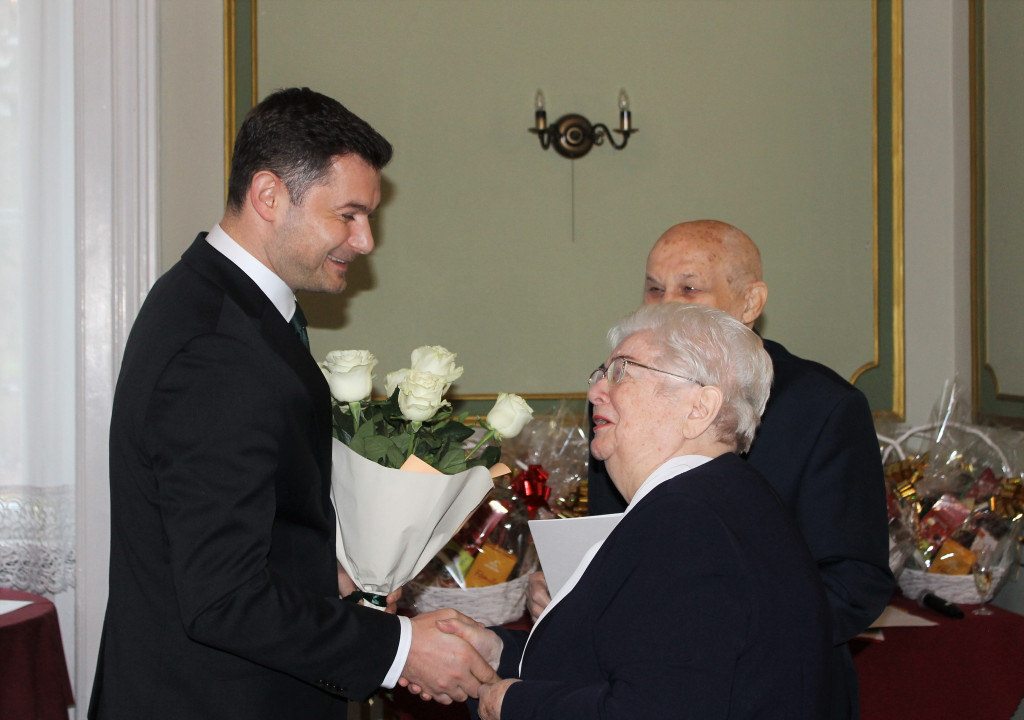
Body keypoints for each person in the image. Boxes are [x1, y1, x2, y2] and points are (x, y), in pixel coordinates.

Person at [88, 87, 494, 719]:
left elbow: (241, 526)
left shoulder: (225, 307)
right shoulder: (216, 348)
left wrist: (335, 571)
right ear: (269, 196)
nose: (365, 242)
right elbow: (223, 597)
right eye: (349, 215)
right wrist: (399, 649)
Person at [434, 303, 831, 719]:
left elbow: (655, 710)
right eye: (601, 373)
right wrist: (497, 653)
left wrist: (512, 704)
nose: (595, 392)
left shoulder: (687, 522)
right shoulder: (723, 497)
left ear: (698, 408)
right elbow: (631, 664)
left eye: (622, 371)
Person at [569, 219, 893, 719]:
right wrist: (575, 586)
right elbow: (615, 535)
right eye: (655, 289)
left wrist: (715, 633)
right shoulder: (623, 393)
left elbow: (855, 582)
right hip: (636, 678)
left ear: (750, 302)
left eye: (689, 288)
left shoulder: (823, 406)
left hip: (775, 692)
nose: (665, 304)